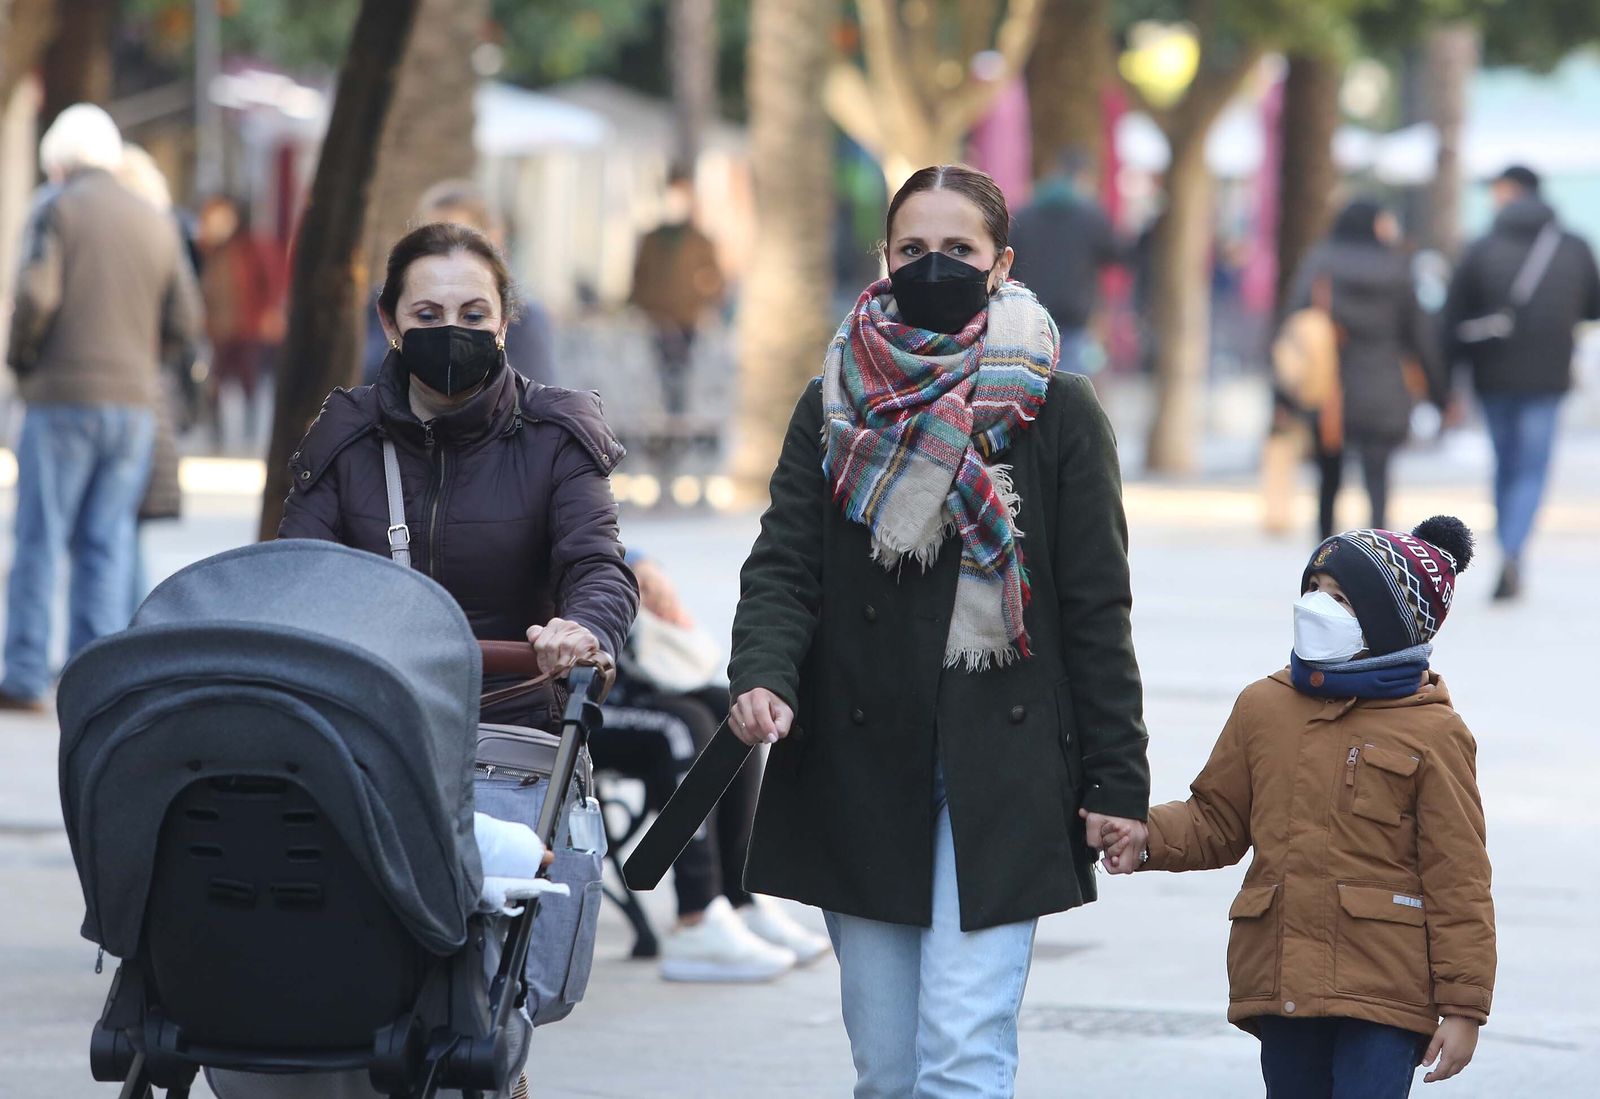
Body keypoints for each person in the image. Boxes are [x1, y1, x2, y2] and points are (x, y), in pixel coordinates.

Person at [726, 164, 1150, 1097]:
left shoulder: (1058, 409)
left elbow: (1093, 609)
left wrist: (1118, 778)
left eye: (958, 250)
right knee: (887, 1069)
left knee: (962, 1050)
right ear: (883, 258)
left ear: (1001, 264)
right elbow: (785, 564)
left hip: (1004, 767)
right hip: (859, 758)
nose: (934, 266)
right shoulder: (831, 401)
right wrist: (763, 672)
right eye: (913, 249)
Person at [270, 221, 636, 1099]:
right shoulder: (347, 441)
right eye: (427, 312)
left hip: (503, 730)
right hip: (366, 735)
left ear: (507, 320)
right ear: (391, 326)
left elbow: (597, 564)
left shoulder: (556, 437)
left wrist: (579, 631)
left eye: (474, 311)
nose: (452, 330)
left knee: (478, 982)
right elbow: (293, 579)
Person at [1102, 516, 1495, 1098]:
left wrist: (1464, 1008)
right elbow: (1216, 819)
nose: (1317, 606)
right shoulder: (1264, 706)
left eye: (1341, 598)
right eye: (1313, 588)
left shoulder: (1434, 731)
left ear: (1389, 623)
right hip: (1284, 980)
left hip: (1385, 990)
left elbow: (1458, 877)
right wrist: (1146, 834)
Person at [1, 105, 202, 712]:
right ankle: (94, 679)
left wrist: (22, 359)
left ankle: (24, 673)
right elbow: (185, 321)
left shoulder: (55, 207)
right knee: (107, 543)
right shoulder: (155, 219)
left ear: (59, 161)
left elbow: (36, 296)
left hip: (62, 399)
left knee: (40, 537)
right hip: (133, 406)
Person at [594, 553, 827, 982]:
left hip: (613, 672)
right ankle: (696, 916)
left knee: (727, 710)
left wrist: (640, 564)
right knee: (680, 728)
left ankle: (737, 897)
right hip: (560, 697)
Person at [1442, 165, 1600, 600]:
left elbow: (1453, 316)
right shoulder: (1573, 246)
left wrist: (1446, 385)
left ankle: (1507, 546)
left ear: (1513, 192)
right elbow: (1592, 306)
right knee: (1532, 467)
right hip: (1549, 376)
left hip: (1492, 375)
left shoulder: (1482, 246)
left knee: (1505, 463)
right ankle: (1514, 549)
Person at [1286, 198, 1444, 541]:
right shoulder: (1397, 266)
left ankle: (1325, 545)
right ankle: (1378, 545)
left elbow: (1296, 324)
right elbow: (1419, 335)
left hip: (1329, 388)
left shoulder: (1321, 262)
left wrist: (1285, 394)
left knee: (1329, 475)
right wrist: (1438, 391)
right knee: (1378, 476)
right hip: (1383, 387)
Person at [112, 144, 203, 616]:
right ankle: (132, 636)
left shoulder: (141, 234)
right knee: (122, 531)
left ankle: (124, 640)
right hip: (146, 391)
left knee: (110, 533)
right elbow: (185, 321)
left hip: (124, 395)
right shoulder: (162, 232)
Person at [361, 179, 556, 387]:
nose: (442, 252)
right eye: (428, 239)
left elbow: (530, 396)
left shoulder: (524, 317)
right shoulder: (383, 303)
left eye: (473, 317)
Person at [1008, 148, 1120, 374]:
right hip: (1075, 319)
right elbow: (1115, 255)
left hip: (1030, 317)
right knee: (1073, 385)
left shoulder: (1025, 212)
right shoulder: (1092, 215)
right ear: (1084, 176)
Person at [628, 165, 725, 415]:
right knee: (659, 370)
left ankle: (678, 414)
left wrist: (704, 303)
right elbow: (639, 278)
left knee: (681, 370)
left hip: (687, 318)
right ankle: (665, 415)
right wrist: (643, 306)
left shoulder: (699, 240)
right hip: (657, 318)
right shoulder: (651, 238)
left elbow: (715, 279)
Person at [196, 195, 285, 452]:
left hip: (248, 329)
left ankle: (251, 438)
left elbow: (270, 280)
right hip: (220, 331)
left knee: (251, 384)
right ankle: (220, 438)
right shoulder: (212, 250)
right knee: (217, 384)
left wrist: (269, 312)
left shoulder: (250, 247)